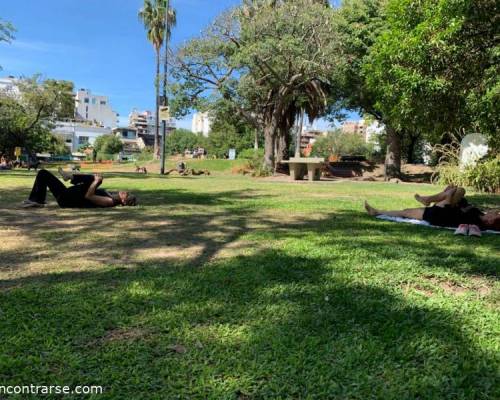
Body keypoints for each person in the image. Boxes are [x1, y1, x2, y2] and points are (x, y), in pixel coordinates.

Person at [364, 185, 500, 236]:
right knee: (406, 211)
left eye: (496, 214)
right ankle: (376, 212)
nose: (495, 212)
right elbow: (464, 204)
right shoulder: (479, 214)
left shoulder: (476, 222)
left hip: (441, 215)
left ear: (491, 220)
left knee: (406, 212)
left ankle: (430, 198)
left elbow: (456, 216)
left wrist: (449, 197)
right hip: (445, 209)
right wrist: (451, 196)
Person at [21, 169, 137, 208]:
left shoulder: (109, 201)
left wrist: (96, 182)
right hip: (67, 193)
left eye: (126, 195)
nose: (124, 192)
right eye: (127, 192)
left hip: (66, 199)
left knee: (95, 179)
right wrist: (96, 182)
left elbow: (89, 196)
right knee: (43, 173)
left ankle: (70, 176)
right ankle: (37, 199)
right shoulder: (111, 195)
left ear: (123, 201)